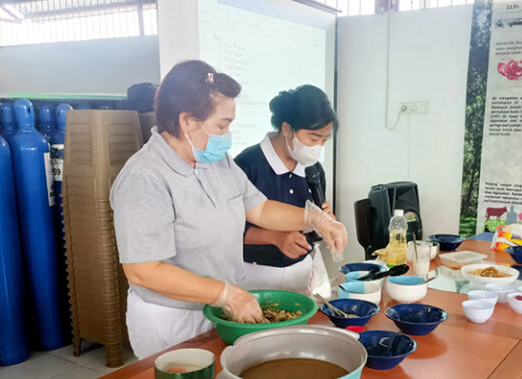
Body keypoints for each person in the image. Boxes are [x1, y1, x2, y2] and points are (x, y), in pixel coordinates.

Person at [110, 61, 347, 359]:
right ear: (188, 121)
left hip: (217, 309)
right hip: (171, 317)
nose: (227, 134)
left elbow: (260, 209)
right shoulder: (144, 177)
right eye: (222, 125)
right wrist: (225, 294)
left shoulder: (215, 161)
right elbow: (143, 271)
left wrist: (314, 218)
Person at [234, 85, 335, 293]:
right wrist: (275, 238)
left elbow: (309, 224)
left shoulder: (313, 169)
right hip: (254, 274)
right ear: (287, 129)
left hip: (302, 271)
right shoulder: (247, 165)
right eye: (313, 138)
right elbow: (230, 230)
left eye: (324, 140)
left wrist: (324, 223)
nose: (318, 147)